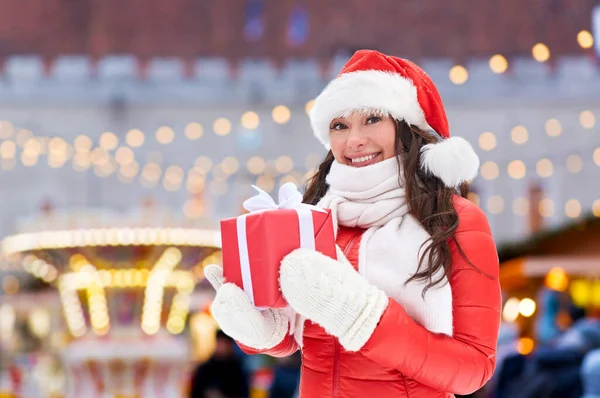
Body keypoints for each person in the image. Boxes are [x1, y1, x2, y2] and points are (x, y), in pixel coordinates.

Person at [205, 49, 502, 397]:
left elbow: (473, 368)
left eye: (372, 119)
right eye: (339, 125)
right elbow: (301, 339)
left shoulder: (453, 220)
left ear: (408, 128)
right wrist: (262, 330)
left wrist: (363, 317)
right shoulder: (314, 217)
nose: (354, 140)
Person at [189, 330, 249, 398]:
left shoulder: (238, 370)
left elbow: (244, 393)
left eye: (225, 343)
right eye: (221, 343)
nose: (223, 347)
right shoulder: (205, 369)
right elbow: (195, 393)